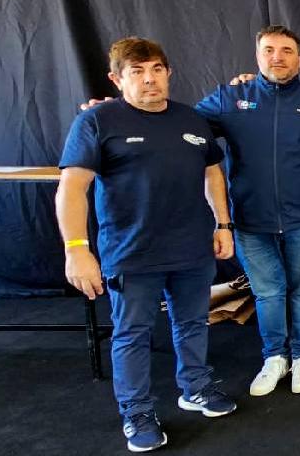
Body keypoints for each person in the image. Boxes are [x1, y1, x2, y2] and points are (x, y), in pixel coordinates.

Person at [57, 37, 238, 453]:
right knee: (133, 333)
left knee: (193, 322)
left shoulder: (191, 119)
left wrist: (223, 224)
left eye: (156, 69)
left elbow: (212, 173)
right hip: (132, 251)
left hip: (191, 247)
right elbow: (72, 187)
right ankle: (136, 411)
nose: (149, 79)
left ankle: (195, 387)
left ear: (168, 73)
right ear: (117, 79)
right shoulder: (97, 121)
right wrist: (76, 248)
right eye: (136, 72)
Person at [192, 26, 300, 396]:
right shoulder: (231, 98)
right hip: (250, 219)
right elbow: (179, 125)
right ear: (258, 56)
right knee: (269, 292)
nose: (278, 57)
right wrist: (124, 110)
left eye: (286, 50)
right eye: (269, 50)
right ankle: (275, 357)